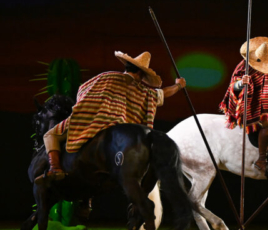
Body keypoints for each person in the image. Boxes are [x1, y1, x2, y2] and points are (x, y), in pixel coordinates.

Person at [37, 51, 186, 184]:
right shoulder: (145, 91)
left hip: (90, 120)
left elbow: (82, 92)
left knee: (51, 134)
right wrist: (178, 86)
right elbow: (163, 94)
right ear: (141, 74)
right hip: (119, 127)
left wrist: (91, 110)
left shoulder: (106, 77)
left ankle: (55, 168)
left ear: (126, 67)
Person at [219, 37, 268, 178]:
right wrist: (241, 84)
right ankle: (262, 160)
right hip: (251, 106)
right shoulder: (245, 66)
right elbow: (233, 87)